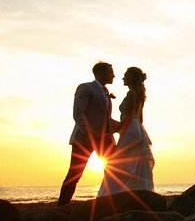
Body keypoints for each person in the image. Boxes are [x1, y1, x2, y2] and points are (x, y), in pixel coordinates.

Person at [58, 62, 120, 206]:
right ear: (101, 73)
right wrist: (89, 133)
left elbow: (105, 118)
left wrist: (126, 126)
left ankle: (111, 202)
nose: (114, 75)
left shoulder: (105, 92)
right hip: (84, 139)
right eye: (111, 72)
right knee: (75, 174)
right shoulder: (85, 88)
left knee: (114, 171)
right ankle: (61, 206)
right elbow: (78, 112)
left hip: (105, 139)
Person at [97, 66, 155, 197]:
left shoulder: (131, 93)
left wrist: (117, 129)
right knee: (134, 163)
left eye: (125, 75)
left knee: (119, 164)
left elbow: (129, 117)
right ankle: (134, 192)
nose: (123, 78)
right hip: (137, 129)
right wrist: (139, 132)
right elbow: (140, 118)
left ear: (131, 78)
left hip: (130, 130)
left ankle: (110, 194)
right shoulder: (139, 94)